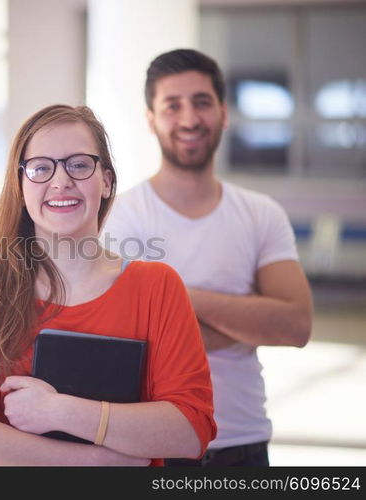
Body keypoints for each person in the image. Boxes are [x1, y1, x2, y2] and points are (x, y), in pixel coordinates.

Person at [0, 104, 216, 466]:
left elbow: (190, 430)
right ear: (20, 186)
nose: (60, 181)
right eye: (40, 168)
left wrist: (59, 411)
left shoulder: (157, 287)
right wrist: (101, 461)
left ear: (107, 180)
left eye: (78, 165)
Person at [103, 49, 313, 466]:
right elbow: (125, 342)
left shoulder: (260, 213)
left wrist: (173, 295)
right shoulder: (120, 218)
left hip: (244, 442)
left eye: (201, 102)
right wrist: (249, 313)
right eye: (172, 105)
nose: (188, 119)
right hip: (154, 443)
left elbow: (295, 324)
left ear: (223, 111)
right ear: (151, 119)